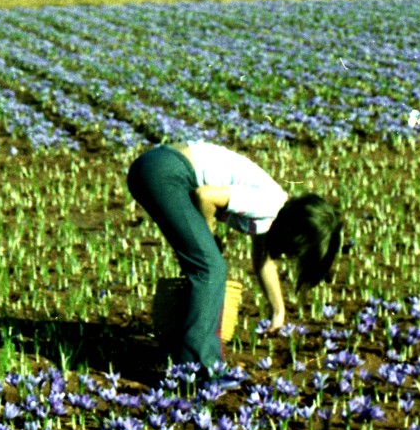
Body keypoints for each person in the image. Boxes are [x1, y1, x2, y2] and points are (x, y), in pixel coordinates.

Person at [127, 141, 342, 372]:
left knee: (207, 264)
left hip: (160, 166)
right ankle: (201, 370)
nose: (288, 255)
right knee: (210, 267)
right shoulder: (268, 204)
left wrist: (278, 309)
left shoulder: (275, 211)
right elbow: (206, 195)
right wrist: (208, 234)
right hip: (166, 171)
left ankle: (189, 353)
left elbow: (263, 261)